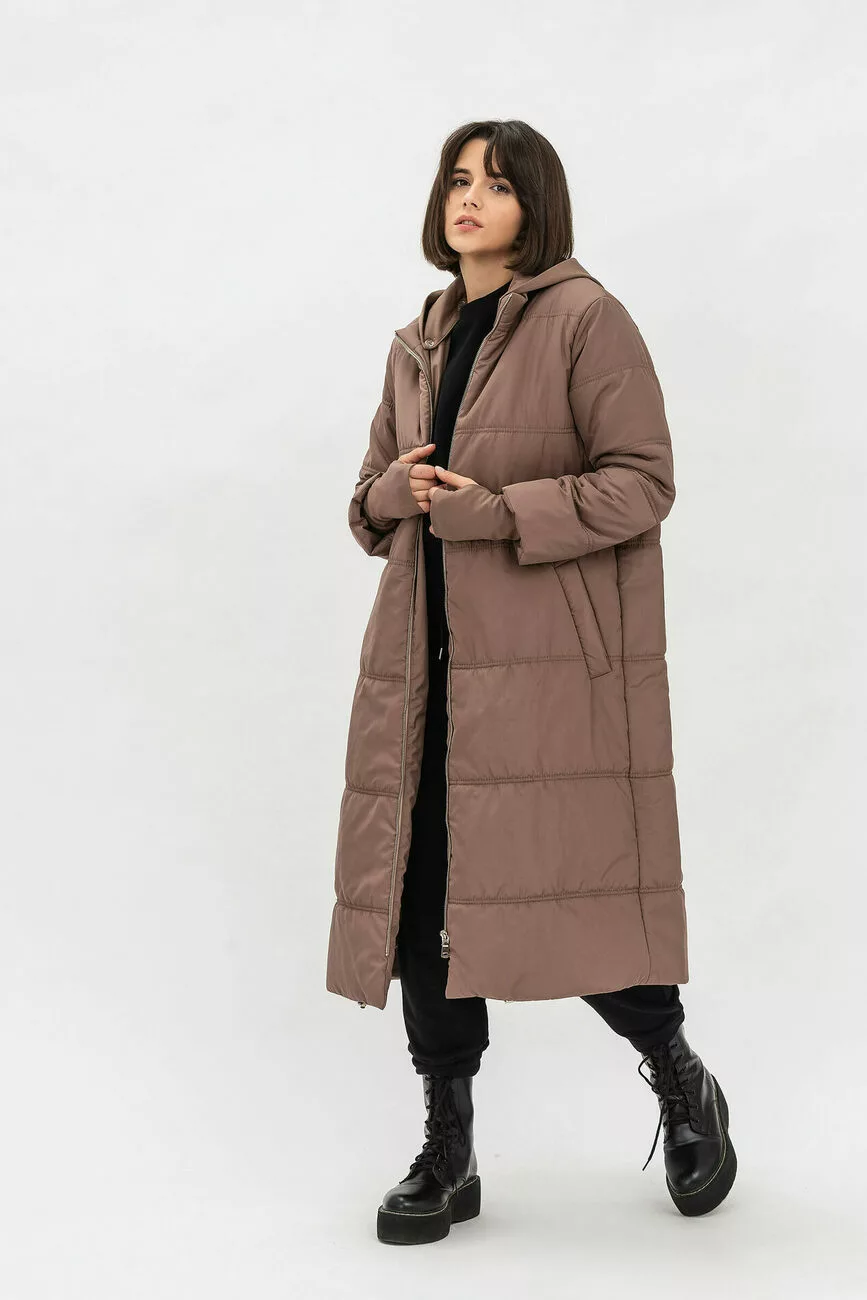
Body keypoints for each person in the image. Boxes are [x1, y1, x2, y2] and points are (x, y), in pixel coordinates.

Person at [325, 119, 736, 1246]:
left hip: (546, 672)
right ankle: (448, 1145)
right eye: (457, 180)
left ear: (535, 206)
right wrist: (391, 497)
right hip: (425, 670)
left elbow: (642, 481)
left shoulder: (586, 319)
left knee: (573, 891)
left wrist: (500, 513)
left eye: (497, 185)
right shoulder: (417, 338)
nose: (469, 199)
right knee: (425, 906)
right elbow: (367, 500)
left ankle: (679, 1077)